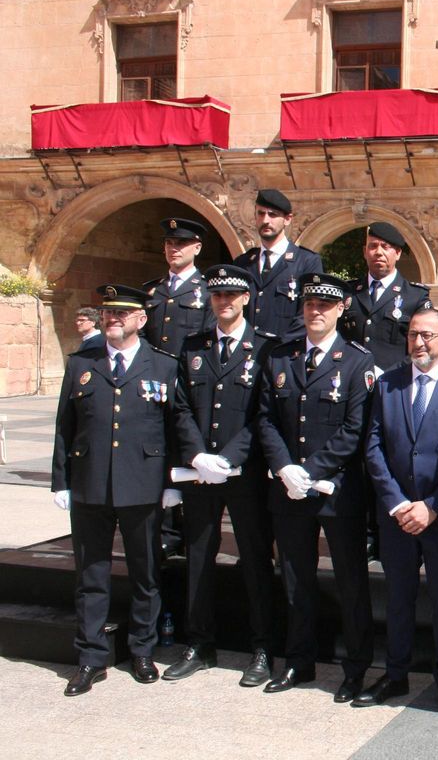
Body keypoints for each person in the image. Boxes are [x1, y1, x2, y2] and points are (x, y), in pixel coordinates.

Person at [51, 284, 181, 695]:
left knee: (145, 573)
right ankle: (91, 657)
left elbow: (176, 428)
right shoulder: (81, 364)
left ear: (141, 320)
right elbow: (64, 427)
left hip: (143, 486)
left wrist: (172, 481)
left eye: (122, 313)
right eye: (108, 313)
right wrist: (61, 481)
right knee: (91, 575)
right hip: (90, 485)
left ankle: (141, 650)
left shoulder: (162, 366)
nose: (112, 319)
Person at [256, 273, 375, 702]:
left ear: (341, 309)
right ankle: (298, 662)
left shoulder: (358, 361)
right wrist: (285, 467)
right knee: (295, 581)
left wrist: (310, 470)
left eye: (325, 305)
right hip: (288, 491)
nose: (316, 311)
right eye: (309, 304)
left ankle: (355, 668)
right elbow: (266, 418)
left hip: (336, 491)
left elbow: (354, 429)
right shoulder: (280, 357)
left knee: (350, 583)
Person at [360, 308, 438, 718]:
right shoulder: (388, 384)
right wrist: (396, 503)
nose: (419, 343)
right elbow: (373, 448)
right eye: (413, 335)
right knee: (398, 598)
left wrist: (432, 507)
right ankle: (395, 675)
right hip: (396, 515)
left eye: (428, 335)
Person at [163, 264, 277, 687]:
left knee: (254, 560)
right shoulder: (192, 347)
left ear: (246, 298)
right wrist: (196, 456)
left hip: (244, 474)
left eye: (232, 296)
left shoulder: (265, 349)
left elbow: (263, 413)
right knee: (198, 557)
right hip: (199, 475)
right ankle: (199, 644)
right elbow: (180, 408)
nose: (224, 302)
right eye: (217, 296)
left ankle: (262, 647)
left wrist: (228, 458)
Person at [339, 220, 432, 372]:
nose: (378, 252)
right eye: (373, 246)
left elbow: (423, 346)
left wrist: (388, 375)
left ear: (398, 253)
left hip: (394, 385)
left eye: (385, 246)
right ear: (364, 252)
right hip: (351, 382)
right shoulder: (348, 292)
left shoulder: (416, 297)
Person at [234, 189, 323, 342]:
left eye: (273, 215)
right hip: (245, 353)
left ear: (287, 219)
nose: (265, 220)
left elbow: (308, 314)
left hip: (284, 355)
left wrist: (279, 349)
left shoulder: (306, 261)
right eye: (260, 214)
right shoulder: (243, 263)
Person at [142, 217, 215, 358]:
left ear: (197, 248)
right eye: (169, 243)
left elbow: (210, 336)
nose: (173, 248)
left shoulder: (208, 290)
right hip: (154, 370)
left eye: (181, 243)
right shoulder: (151, 289)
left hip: (188, 371)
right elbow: (139, 331)